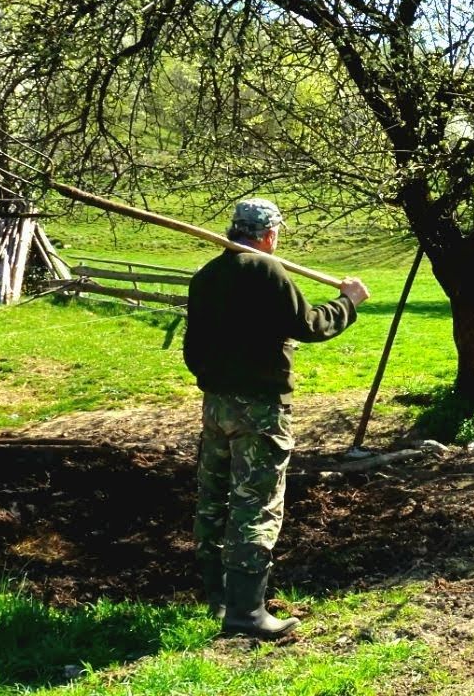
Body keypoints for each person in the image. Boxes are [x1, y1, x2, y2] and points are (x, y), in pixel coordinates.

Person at [182, 197, 369, 639]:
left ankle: (217, 597)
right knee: (256, 502)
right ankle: (247, 613)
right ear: (269, 234)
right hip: (260, 409)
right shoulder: (266, 270)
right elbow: (309, 325)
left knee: (214, 497)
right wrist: (348, 301)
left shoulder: (207, 276)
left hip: (216, 405)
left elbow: (193, 351)